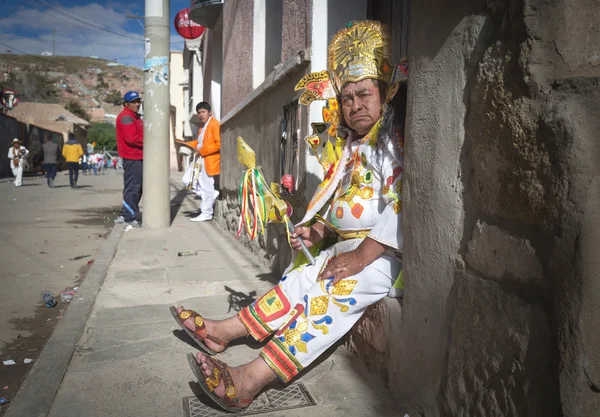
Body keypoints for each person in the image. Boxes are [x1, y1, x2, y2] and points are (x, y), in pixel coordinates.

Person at [171, 20, 407, 412]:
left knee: (330, 296)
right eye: (346, 98)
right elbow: (343, 205)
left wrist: (359, 257)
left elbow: (399, 205)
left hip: (382, 257)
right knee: (300, 279)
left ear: (386, 93)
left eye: (364, 94)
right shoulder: (352, 146)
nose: (355, 105)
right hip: (351, 248)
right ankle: (225, 332)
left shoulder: (391, 141)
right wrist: (317, 233)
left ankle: (250, 379)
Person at [187, 102, 221, 222]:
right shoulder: (202, 126)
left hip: (209, 160)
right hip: (200, 159)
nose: (201, 115)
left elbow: (219, 144)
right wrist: (187, 144)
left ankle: (206, 213)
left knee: (206, 187)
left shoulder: (214, 125)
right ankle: (212, 195)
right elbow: (200, 142)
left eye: (203, 112)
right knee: (187, 181)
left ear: (209, 112)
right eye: (199, 113)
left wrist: (202, 150)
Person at [115, 91, 143, 226]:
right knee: (133, 187)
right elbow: (132, 138)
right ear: (126, 104)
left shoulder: (134, 117)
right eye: (134, 102)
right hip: (132, 157)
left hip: (137, 157)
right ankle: (129, 216)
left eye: (138, 101)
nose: (137, 104)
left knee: (137, 187)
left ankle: (127, 213)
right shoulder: (126, 117)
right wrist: (150, 141)